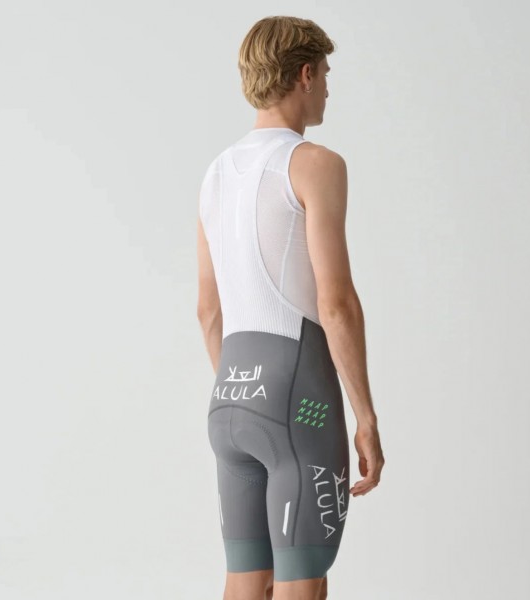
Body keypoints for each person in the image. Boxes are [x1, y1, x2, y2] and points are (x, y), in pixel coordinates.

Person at [197, 15, 385, 600]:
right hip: (296, 399)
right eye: (325, 74)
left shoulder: (215, 175)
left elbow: (208, 310)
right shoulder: (315, 163)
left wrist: (246, 391)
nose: (327, 87)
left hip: (230, 400)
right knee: (303, 582)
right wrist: (366, 417)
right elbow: (337, 303)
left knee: (245, 581)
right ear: (304, 74)